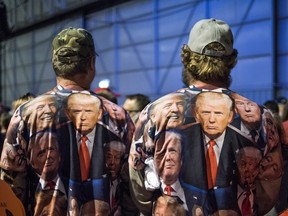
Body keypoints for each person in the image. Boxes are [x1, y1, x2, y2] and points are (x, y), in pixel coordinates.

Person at [128, 18, 282, 216]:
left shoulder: (156, 111)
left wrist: (155, 208)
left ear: (187, 58)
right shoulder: (261, 117)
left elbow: (137, 180)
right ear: (231, 60)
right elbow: (269, 188)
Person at [0, 27, 135, 215]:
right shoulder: (118, 116)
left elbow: (11, 186)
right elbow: (132, 184)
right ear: (91, 63)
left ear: (55, 65)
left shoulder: (26, 114)